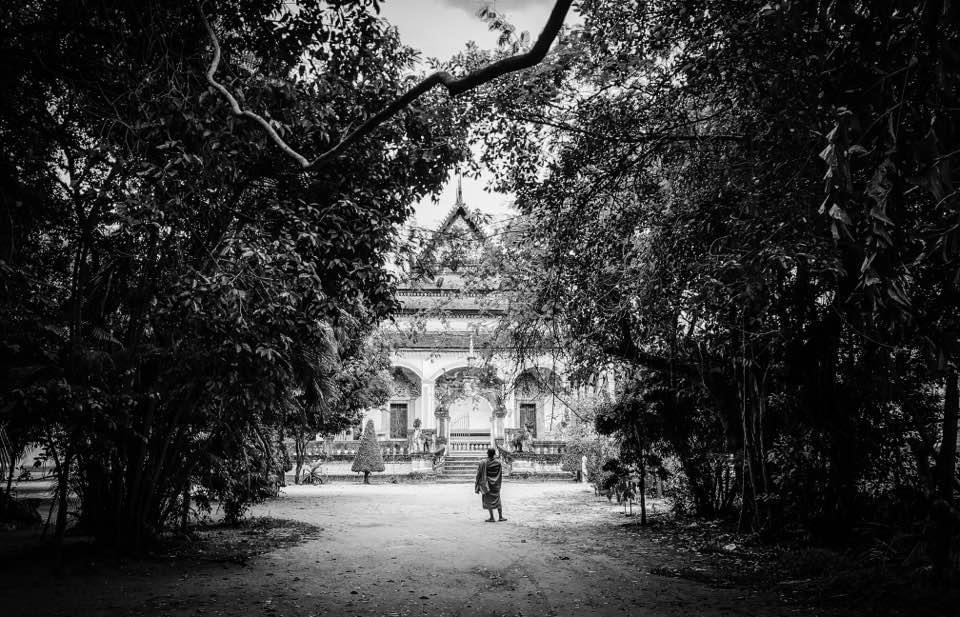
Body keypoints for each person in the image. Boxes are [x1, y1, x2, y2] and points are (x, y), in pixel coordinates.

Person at [475, 447, 506, 522]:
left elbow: (479, 474)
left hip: (486, 484)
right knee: (498, 499)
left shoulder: (483, 462)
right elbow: (499, 474)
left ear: (487, 453)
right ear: (494, 454)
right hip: (496, 484)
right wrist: (497, 482)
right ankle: (500, 516)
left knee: (488, 500)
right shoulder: (498, 463)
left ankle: (492, 517)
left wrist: (477, 484)